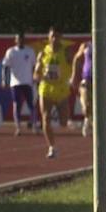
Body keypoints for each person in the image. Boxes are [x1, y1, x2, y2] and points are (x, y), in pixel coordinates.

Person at [34, 28, 72, 159]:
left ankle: (58, 115)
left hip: (61, 89)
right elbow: (36, 73)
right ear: (48, 37)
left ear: (61, 37)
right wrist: (39, 74)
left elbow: (73, 64)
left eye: (57, 36)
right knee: (45, 118)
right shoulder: (43, 52)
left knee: (64, 122)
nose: (55, 39)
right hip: (46, 88)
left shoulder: (66, 51)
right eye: (52, 36)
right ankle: (52, 147)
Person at [71, 37, 106, 137]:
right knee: (86, 105)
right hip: (87, 79)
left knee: (98, 106)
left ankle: (93, 124)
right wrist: (74, 75)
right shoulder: (86, 45)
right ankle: (88, 120)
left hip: (102, 80)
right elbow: (77, 58)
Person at [1, 32, 38, 136]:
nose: (20, 41)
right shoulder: (11, 52)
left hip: (27, 82)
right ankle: (18, 128)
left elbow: (35, 66)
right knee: (16, 104)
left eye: (22, 39)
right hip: (15, 83)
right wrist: (4, 80)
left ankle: (35, 126)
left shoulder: (30, 51)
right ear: (15, 40)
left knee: (31, 104)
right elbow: (5, 66)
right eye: (18, 39)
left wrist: (35, 77)